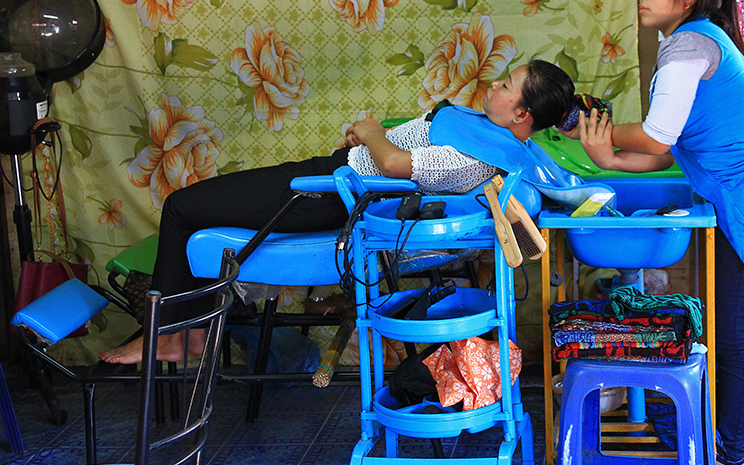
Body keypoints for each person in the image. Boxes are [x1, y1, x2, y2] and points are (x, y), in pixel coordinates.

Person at [100, 59, 575, 365]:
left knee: (182, 207)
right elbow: (403, 149)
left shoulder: (474, 158)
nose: (495, 83)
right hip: (333, 177)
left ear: (521, 115)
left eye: (507, 84)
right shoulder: (486, 135)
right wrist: (370, 136)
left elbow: (392, 165)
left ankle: (168, 336)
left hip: (327, 198)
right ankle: (195, 330)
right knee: (196, 208)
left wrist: (370, 132)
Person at [574, 0, 744, 465]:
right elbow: (663, 156)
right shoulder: (698, 41)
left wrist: (594, 132)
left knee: (739, 338)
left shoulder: (687, 48)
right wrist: (607, 154)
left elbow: (657, 136)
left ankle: (730, 455)